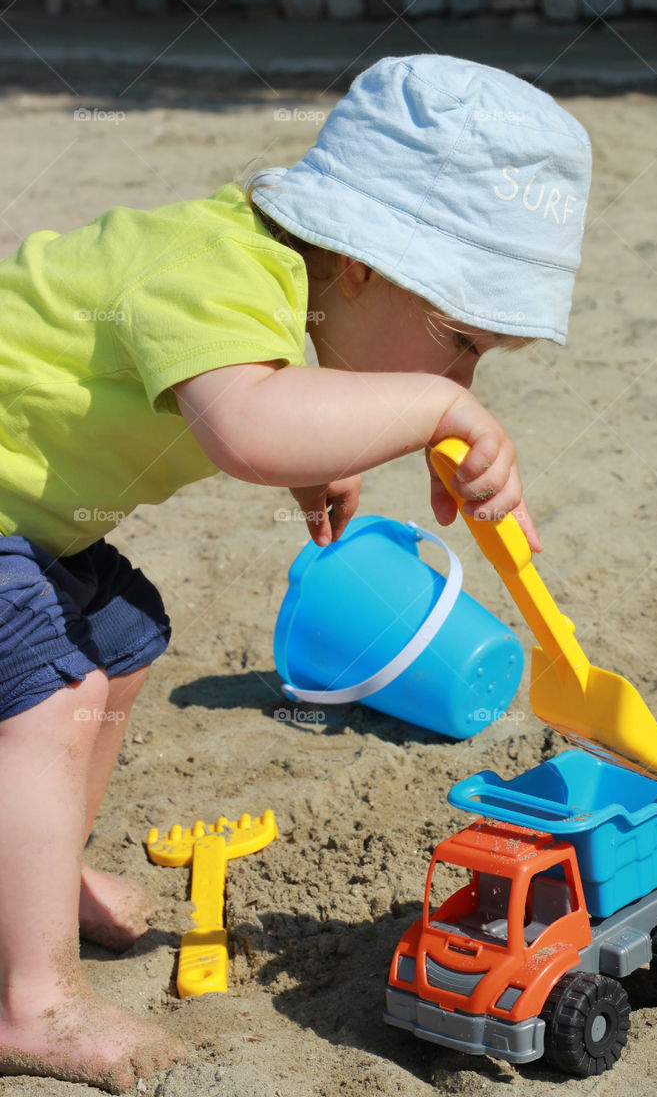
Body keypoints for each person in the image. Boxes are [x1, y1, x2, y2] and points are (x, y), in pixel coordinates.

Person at [0, 53, 591, 1091]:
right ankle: (31, 1000)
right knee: (54, 698)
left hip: (29, 523)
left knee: (122, 638)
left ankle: (34, 876)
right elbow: (244, 424)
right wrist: (436, 411)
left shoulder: (274, 275)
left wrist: (324, 457)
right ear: (360, 262)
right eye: (458, 341)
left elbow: (256, 397)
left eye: (475, 364)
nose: (456, 378)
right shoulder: (209, 261)